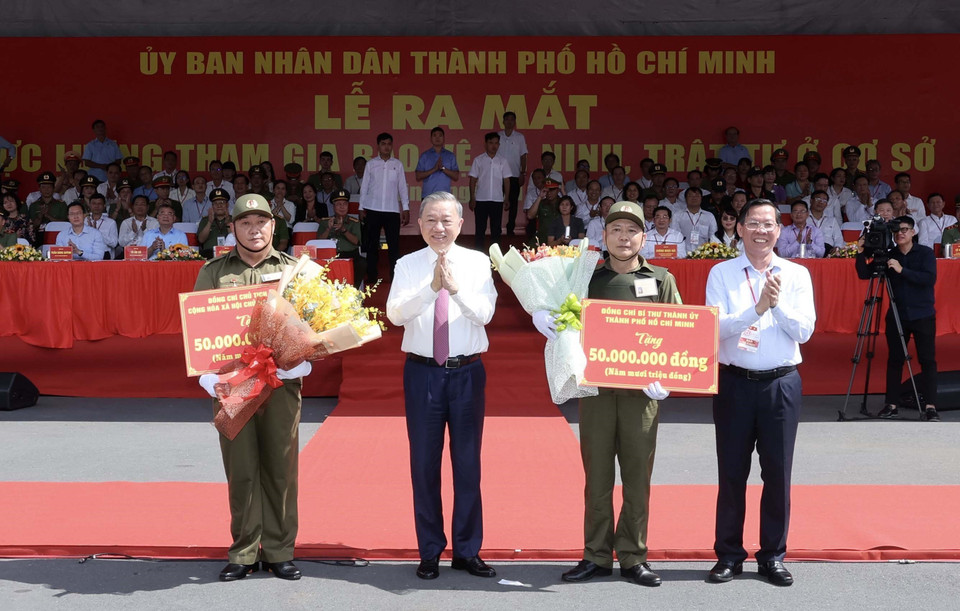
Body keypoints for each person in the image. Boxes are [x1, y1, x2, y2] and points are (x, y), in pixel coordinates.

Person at [541, 201, 680, 588]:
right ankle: (596, 556)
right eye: (616, 229)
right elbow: (568, 325)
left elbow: (681, 333)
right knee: (597, 478)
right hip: (597, 394)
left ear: (643, 237)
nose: (624, 237)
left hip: (642, 398)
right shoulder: (586, 280)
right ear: (604, 236)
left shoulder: (662, 278)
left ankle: (634, 556)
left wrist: (667, 378)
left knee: (638, 479)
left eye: (632, 230)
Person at [194, 193, 308, 582]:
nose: (254, 229)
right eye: (245, 223)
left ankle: (279, 550)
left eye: (262, 222)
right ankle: (243, 551)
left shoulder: (296, 270)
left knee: (281, 469)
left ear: (274, 227)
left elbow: (314, 323)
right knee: (241, 469)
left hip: (279, 385)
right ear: (233, 228)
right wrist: (206, 375)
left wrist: (303, 359)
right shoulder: (213, 271)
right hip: (234, 386)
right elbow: (198, 328)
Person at [385, 191, 498, 581]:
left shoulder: (478, 262)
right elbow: (395, 314)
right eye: (431, 220)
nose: (439, 227)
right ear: (419, 224)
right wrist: (430, 288)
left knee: (468, 465)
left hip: (467, 372)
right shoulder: (407, 264)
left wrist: (455, 288)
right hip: (422, 374)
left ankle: (467, 551)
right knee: (424, 465)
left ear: (461, 223)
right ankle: (429, 550)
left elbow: (485, 314)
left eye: (447, 220)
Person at [705, 199, 815, 587]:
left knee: (778, 475)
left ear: (779, 230)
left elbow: (804, 331)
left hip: (781, 384)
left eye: (769, 224)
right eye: (753, 223)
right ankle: (729, 556)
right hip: (735, 383)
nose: (761, 231)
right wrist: (756, 309)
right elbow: (714, 329)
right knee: (731, 473)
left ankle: (773, 556)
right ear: (740, 229)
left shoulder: (797, 274)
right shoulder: (721, 273)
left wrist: (776, 305)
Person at [855, 216, 939, 421]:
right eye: (896, 231)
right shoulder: (889, 254)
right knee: (895, 360)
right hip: (897, 314)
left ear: (913, 232)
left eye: (904, 229)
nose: (900, 233)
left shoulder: (925, 253)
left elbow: (929, 279)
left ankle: (930, 406)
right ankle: (891, 404)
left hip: (922, 314)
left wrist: (903, 270)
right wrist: (860, 253)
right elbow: (865, 274)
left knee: (927, 360)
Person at [360, 132, 409, 284]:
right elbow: (364, 187)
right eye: (383, 144)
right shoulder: (371, 164)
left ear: (392, 146)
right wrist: (361, 207)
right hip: (373, 208)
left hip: (392, 210)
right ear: (378, 146)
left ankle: (395, 278)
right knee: (372, 245)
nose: (386, 147)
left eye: (389, 144)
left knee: (393, 246)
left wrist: (405, 208)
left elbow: (402, 187)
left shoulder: (398, 164)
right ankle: (372, 276)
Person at [468, 132, 511, 251]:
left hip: (497, 200)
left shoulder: (503, 161)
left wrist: (506, 198)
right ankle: (478, 255)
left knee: (496, 230)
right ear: (485, 144)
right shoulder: (478, 160)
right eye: (491, 143)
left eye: (496, 143)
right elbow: (473, 180)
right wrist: (472, 197)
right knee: (480, 229)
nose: (494, 146)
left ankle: (495, 258)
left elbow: (507, 181)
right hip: (481, 199)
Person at [317, 189, 364, 287]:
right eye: (339, 204)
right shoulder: (325, 221)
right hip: (330, 255)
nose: (342, 207)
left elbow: (357, 242)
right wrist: (328, 229)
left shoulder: (354, 222)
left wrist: (343, 229)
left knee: (362, 263)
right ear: (333, 207)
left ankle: (353, 292)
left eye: (345, 204)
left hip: (349, 255)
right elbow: (318, 242)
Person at [496, 111, 527, 236]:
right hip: (498, 175)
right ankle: (496, 227)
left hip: (514, 175)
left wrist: (522, 173)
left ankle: (510, 229)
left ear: (515, 122)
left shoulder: (519, 137)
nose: (509, 122)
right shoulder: (498, 136)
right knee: (497, 202)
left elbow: (523, 155)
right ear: (503, 121)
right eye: (507, 119)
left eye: (512, 119)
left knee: (513, 203)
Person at [416, 126, 460, 198]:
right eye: (434, 135)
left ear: (444, 138)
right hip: (428, 196)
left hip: (445, 197)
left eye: (440, 135)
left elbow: (456, 176)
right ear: (431, 139)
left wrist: (442, 168)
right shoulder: (425, 155)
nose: (437, 138)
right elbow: (418, 176)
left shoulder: (450, 155)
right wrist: (434, 169)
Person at [196, 188, 232, 258]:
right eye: (216, 203)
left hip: (229, 255)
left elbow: (235, 239)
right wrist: (209, 222)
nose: (219, 206)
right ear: (212, 206)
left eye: (222, 203)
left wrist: (228, 223)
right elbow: (201, 240)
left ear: (227, 205)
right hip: (209, 255)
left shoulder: (233, 219)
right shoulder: (205, 220)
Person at [526, 177, 561, 247]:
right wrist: (540, 197)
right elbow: (530, 215)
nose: (549, 193)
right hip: (542, 237)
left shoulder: (562, 203)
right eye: (546, 190)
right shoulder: (541, 203)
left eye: (552, 190)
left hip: (559, 238)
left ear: (557, 190)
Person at [85, 193, 119, 259]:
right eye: (94, 203)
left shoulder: (111, 222)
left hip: (104, 254)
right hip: (87, 253)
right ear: (89, 205)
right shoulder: (84, 221)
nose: (96, 206)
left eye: (99, 204)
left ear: (104, 206)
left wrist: (97, 233)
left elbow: (114, 243)